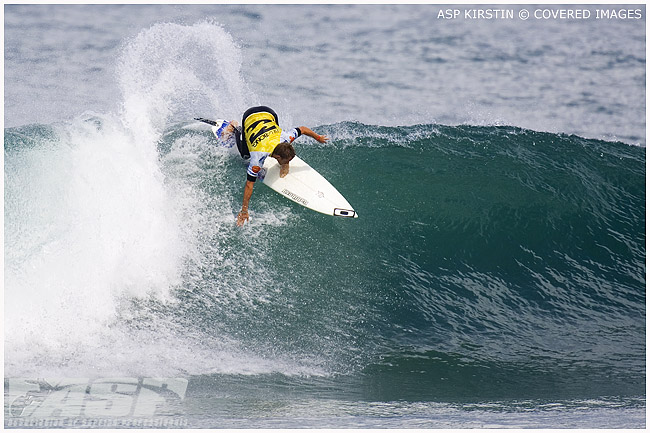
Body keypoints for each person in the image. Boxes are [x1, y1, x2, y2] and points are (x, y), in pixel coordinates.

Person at [231, 106, 328, 226]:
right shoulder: (257, 158)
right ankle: (235, 127)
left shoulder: (286, 138)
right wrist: (244, 211)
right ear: (277, 157)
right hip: (249, 117)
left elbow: (302, 129)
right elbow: (249, 185)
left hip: (269, 113)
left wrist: (318, 138)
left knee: (277, 132)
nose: (289, 162)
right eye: (287, 160)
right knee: (245, 155)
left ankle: (283, 163)